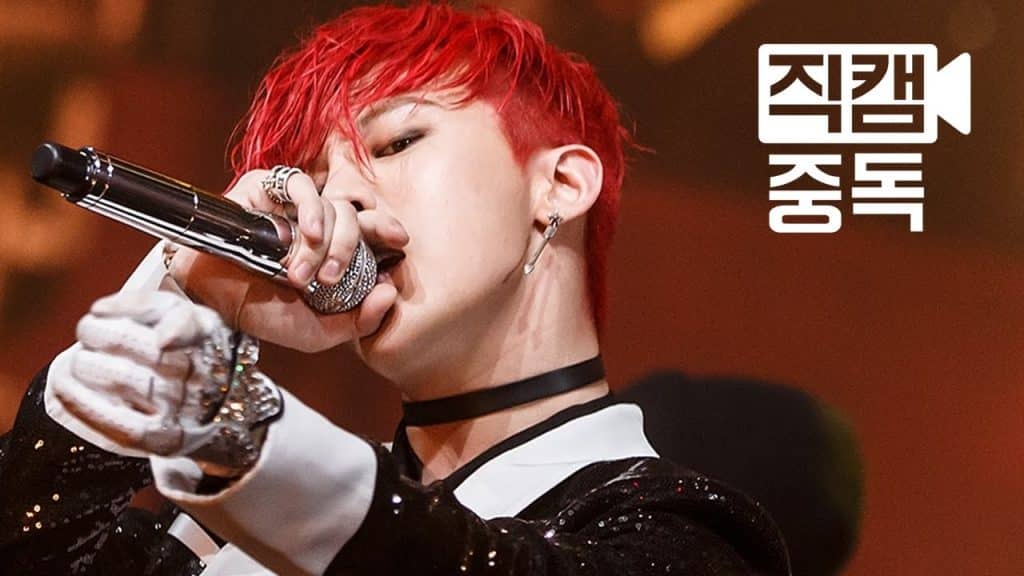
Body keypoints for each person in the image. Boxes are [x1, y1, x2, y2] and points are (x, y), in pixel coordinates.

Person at [0, 3, 790, 575]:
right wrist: (188, 291)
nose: (340, 199)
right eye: (317, 179)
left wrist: (237, 431)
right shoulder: (216, 534)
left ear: (561, 185)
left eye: (396, 141)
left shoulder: (683, 534)